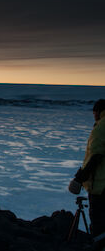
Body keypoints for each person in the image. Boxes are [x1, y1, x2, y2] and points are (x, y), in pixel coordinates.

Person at [69, 99, 105, 250]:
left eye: (94, 113)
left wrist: (79, 178)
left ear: (98, 112)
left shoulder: (101, 127)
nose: (93, 116)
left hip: (100, 185)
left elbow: (96, 156)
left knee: (98, 219)